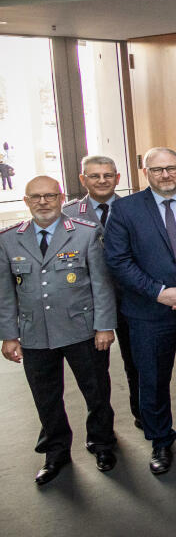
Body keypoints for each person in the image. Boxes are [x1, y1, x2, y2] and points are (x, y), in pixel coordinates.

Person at [104, 147, 176, 476]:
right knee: (153, 378)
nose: (165, 175)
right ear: (145, 173)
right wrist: (159, 293)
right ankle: (160, 439)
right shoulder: (125, 209)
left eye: (171, 168)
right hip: (149, 310)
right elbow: (118, 261)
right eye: (157, 170)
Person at [0, 176, 117, 485]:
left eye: (50, 196)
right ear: (26, 201)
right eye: (36, 197)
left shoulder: (85, 233)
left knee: (96, 392)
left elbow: (101, 285)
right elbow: (5, 293)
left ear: (61, 198)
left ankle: (102, 443)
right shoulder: (9, 239)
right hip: (35, 334)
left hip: (83, 330)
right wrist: (9, 335)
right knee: (46, 398)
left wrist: (104, 326)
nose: (43, 202)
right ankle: (56, 452)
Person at [63, 154, 141, 429]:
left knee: (138, 364)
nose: (102, 181)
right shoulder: (68, 214)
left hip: (133, 298)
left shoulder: (136, 208)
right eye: (94, 176)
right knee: (95, 372)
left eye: (108, 175)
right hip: (90, 303)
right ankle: (101, 432)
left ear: (117, 178)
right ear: (82, 179)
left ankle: (144, 416)